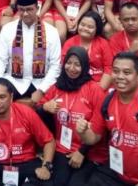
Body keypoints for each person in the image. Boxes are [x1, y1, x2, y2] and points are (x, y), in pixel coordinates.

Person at [76, 52, 138, 186]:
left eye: (127, 72)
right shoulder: (107, 101)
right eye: (116, 71)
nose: (120, 77)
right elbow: (93, 138)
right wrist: (83, 132)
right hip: (116, 173)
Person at [38, 47, 106, 186]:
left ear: (85, 66)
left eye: (77, 64)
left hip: (88, 151)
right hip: (61, 148)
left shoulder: (94, 89)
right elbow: (38, 110)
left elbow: (100, 127)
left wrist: (82, 151)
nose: (72, 68)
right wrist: (45, 107)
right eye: (69, 63)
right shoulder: (57, 87)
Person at [0, 0, 61, 103]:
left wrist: (42, 90)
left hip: (41, 82)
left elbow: (55, 66)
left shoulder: (52, 32)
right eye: (21, 10)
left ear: (37, 8)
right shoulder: (8, 29)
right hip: (14, 81)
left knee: (48, 107)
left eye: (29, 9)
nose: (25, 14)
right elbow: (1, 61)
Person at [62, 10, 112, 89]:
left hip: (98, 84)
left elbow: (109, 68)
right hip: (75, 85)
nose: (85, 28)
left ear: (97, 29)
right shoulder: (69, 43)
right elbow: (65, 66)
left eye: (90, 27)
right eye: (82, 25)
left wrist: (100, 89)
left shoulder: (103, 43)